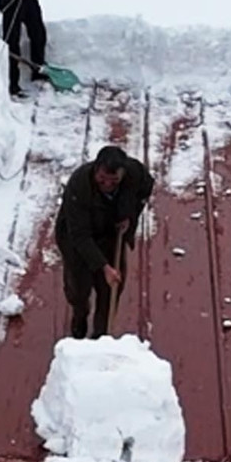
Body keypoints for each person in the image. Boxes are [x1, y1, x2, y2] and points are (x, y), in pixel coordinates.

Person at [55, 144, 154, 340]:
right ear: (96, 169)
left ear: (123, 173)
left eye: (114, 181)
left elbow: (145, 189)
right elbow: (80, 236)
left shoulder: (135, 173)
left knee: (110, 290)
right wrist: (103, 267)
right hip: (77, 241)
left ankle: (100, 337)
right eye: (102, 180)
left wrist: (130, 215)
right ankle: (79, 322)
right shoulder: (79, 185)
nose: (107, 185)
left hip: (110, 234)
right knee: (78, 289)